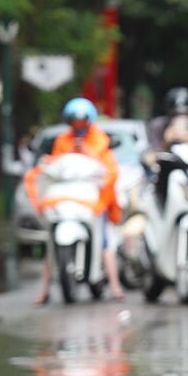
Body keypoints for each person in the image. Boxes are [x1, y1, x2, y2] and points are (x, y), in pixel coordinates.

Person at [27, 97, 125, 304]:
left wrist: (86, 151)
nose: (79, 127)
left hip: (93, 197)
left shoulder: (99, 140)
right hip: (68, 196)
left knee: (106, 241)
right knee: (51, 242)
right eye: (75, 123)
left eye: (83, 122)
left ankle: (115, 286)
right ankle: (44, 289)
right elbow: (56, 166)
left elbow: (109, 170)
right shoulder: (63, 140)